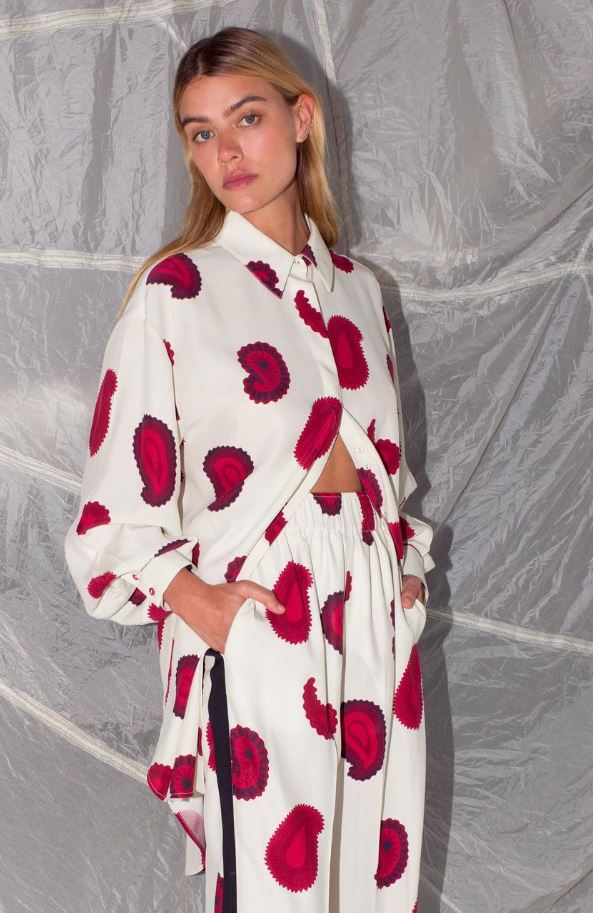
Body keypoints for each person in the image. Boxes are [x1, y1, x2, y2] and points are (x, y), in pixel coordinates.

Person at [64, 25, 435, 913]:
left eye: (247, 117)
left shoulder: (359, 290)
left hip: (372, 613)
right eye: (199, 131)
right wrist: (201, 604)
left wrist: (406, 578)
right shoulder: (176, 291)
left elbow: (389, 468)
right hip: (263, 615)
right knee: (280, 889)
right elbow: (113, 509)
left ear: (302, 119)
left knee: (375, 882)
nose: (225, 150)